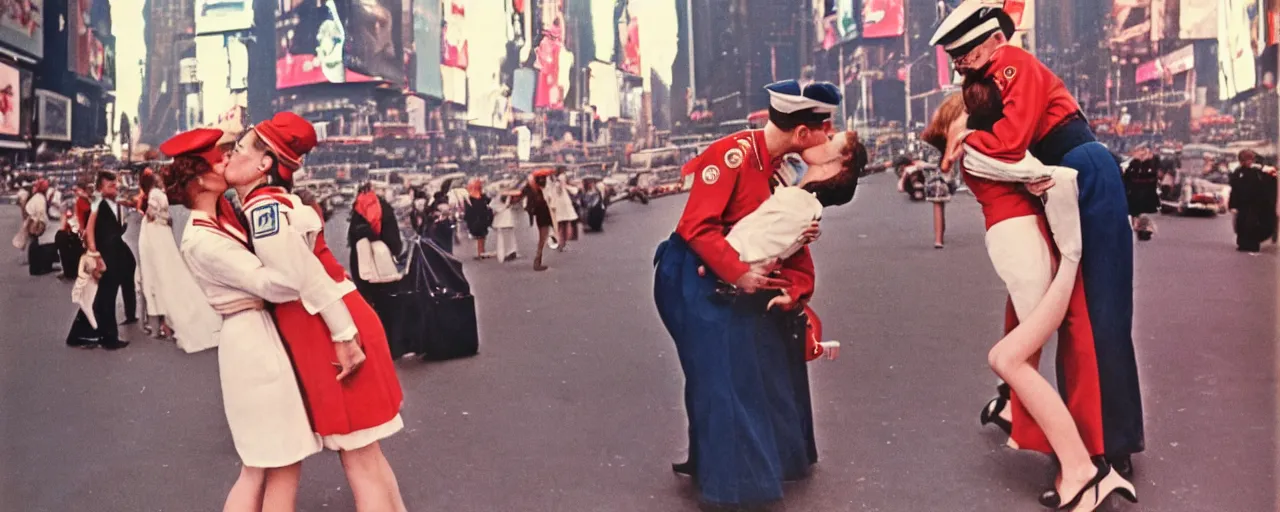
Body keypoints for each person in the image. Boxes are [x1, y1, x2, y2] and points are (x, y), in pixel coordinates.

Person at [932, 4, 1140, 509]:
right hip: (1057, 182)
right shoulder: (992, 78)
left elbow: (1010, 141)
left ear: (987, 43)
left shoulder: (1012, 65)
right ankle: (1070, 431)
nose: (958, 64)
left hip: (1080, 174)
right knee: (1064, 312)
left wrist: (967, 140)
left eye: (962, 54)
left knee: (1099, 313)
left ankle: (1107, 443)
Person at [653, 79, 836, 509]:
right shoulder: (731, 155)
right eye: (825, 130)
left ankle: (742, 461)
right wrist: (739, 275)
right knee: (721, 373)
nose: (828, 139)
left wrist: (796, 286)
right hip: (691, 277)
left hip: (733, 276)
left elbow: (781, 241)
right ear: (803, 133)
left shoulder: (780, 167)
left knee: (760, 363)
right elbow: (696, 228)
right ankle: (731, 484)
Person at [224, 112, 407, 512]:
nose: (228, 157)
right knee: (367, 457)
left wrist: (343, 337)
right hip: (336, 326)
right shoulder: (279, 202)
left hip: (329, 335)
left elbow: (300, 278)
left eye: (237, 149)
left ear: (264, 164)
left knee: (359, 461)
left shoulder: (263, 210)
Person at [159, 128, 320, 512]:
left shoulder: (221, 215)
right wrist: (299, 260)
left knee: (278, 459)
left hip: (255, 337)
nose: (227, 161)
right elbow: (273, 283)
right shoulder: (202, 238)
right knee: (269, 461)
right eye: (219, 160)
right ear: (199, 177)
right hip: (251, 344)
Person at [137, 167, 222, 352]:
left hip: (153, 233)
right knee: (169, 267)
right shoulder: (161, 193)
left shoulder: (153, 195)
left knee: (155, 271)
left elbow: (151, 215)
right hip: (162, 233)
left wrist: (155, 215)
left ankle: (158, 320)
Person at [66, 171, 136, 350]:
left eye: (115, 184)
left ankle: (80, 334)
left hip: (115, 251)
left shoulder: (113, 203)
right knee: (107, 294)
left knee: (102, 295)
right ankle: (109, 338)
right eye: (110, 185)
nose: (115, 187)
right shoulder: (98, 203)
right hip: (106, 254)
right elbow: (89, 230)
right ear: (100, 188)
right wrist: (95, 254)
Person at [349, 182, 405, 338]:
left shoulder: (357, 211)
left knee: (369, 304)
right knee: (389, 306)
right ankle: (393, 342)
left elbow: (353, 240)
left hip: (362, 266)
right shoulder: (385, 208)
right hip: (384, 266)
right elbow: (394, 242)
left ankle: (374, 339)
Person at [1228, 149, 1278, 253]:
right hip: (1243, 204)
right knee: (1241, 223)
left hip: (1255, 204)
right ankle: (1243, 243)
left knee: (1253, 224)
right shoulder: (1238, 172)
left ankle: (1252, 244)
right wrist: (1233, 205)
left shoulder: (1258, 172)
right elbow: (1235, 189)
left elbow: (1267, 186)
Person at [1123, 147, 1161, 241]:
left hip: (1144, 192)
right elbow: (1127, 177)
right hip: (1137, 192)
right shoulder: (1134, 164)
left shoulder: (1151, 164)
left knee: (1141, 211)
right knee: (1137, 211)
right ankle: (1139, 226)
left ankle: (1141, 226)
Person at [521, 170, 554, 271]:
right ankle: (537, 260)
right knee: (542, 238)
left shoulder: (530, 189)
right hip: (544, 214)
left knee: (542, 237)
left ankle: (538, 259)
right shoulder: (540, 190)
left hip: (538, 214)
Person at [24, 179, 56, 275]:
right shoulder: (40, 198)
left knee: (34, 243)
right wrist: (43, 224)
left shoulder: (36, 196)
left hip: (31, 219)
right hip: (36, 221)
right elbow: (41, 213)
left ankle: (35, 267)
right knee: (36, 245)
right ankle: (37, 268)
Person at [544, 166, 578, 251]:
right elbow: (562, 188)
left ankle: (561, 242)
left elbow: (552, 193)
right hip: (562, 203)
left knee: (560, 224)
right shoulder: (560, 179)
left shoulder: (553, 181)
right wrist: (572, 188)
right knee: (563, 224)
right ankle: (562, 242)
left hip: (556, 204)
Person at [462, 178, 494, 259]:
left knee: (480, 236)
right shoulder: (482, 197)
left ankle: (481, 253)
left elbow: (468, 211)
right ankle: (481, 252)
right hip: (482, 219)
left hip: (475, 220)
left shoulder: (469, 198)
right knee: (481, 237)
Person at [489, 187, 521, 262]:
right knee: (510, 236)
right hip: (509, 219)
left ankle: (504, 253)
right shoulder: (509, 197)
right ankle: (512, 251)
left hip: (500, 220)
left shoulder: (496, 199)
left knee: (502, 239)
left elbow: (493, 209)